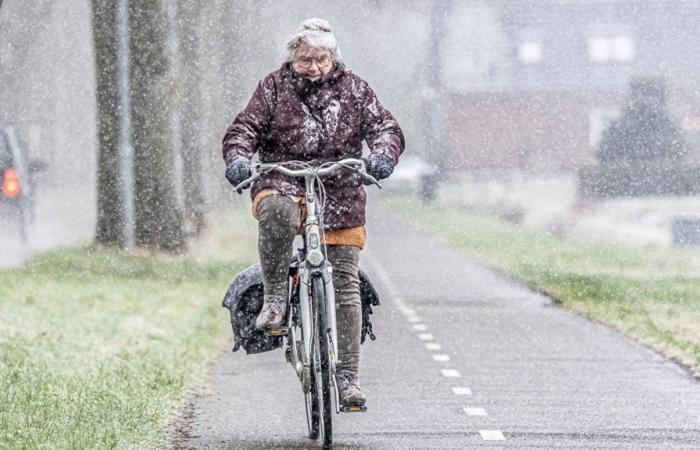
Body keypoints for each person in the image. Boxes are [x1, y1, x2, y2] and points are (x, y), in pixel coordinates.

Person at [222, 18, 404, 407]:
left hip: (339, 187)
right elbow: (244, 129)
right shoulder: (272, 88)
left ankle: (348, 379)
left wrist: (383, 157)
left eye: (321, 59)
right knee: (276, 213)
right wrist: (238, 157)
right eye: (306, 59)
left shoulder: (355, 89)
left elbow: (385, 127)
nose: (314, 67)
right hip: (283, 179)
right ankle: (274, 300)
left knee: (344, 280)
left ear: (333, 57)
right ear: (292, 57)